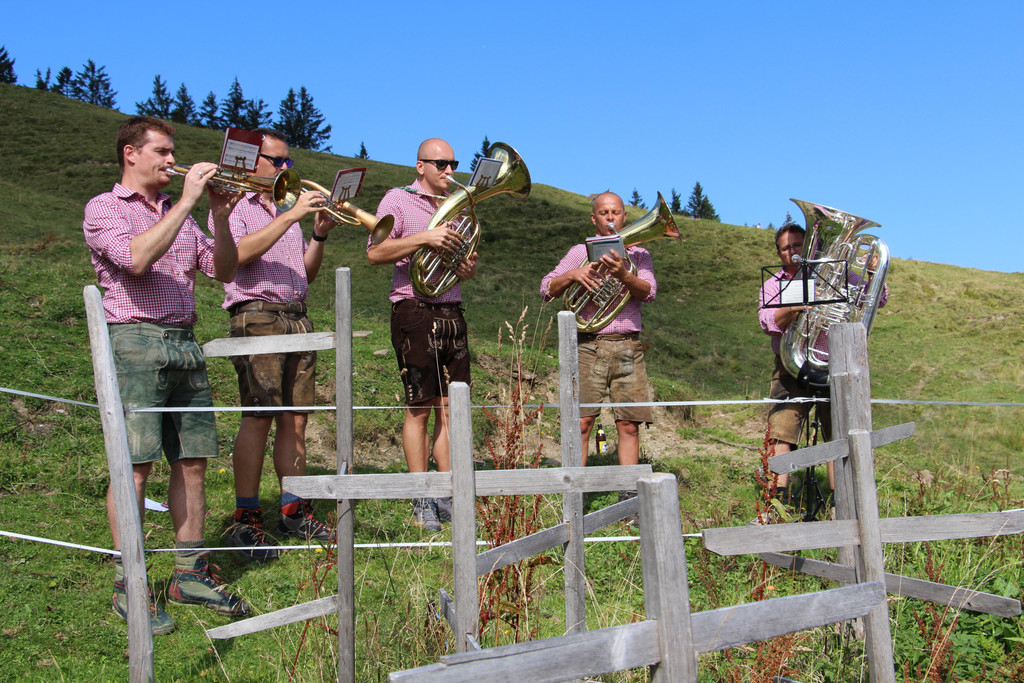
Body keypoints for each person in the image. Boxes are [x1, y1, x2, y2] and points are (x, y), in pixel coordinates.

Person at [83, 116, 248, 635]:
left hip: (183, 340)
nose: (172, 160)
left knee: (193, 460)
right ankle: (129, 583)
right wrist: (188, 202)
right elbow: (134, 259)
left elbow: (224, 270)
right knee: (134, 465)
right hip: (134, 340)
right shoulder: (105, 207)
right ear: (131, 153)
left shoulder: (181, 214)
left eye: (173, 151)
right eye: (161, 151)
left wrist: (219, 216)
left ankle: (188, 573)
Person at [218, 129, 335, 561]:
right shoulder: (233, 205)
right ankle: (246, 515)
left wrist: (318, 235)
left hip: (296, 315)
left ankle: (293, 509)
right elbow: (236, 255)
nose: (286, 168)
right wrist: (290, 216)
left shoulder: (286, 205)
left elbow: (306, 274)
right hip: (258, 315)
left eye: (288, 161)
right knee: (259, 417)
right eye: (277, 161)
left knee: (296, 420)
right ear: (253, 162)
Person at [367, 138, 477, 532]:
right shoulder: (398, 199)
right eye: (441, 164)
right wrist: (425, 238)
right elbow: (375, 252)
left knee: (451, 409)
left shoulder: (459, 206)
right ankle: (421, 497)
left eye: (453, 164)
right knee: (419, 407)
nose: (450, 171)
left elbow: (463, 261)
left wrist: (466, 269)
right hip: (413, 310)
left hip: (452, 310)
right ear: (420, 166)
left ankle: (448, 493)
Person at [757, 223, 888, 503]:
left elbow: (877, 299)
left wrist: (873, 273)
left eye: (797, 245)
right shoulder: (774, 283)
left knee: (838, 435)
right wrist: (794, 307)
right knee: (780, 432)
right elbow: (767, 322)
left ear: (809, 246)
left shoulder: (837, 274)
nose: (793, 251)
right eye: (786, 248)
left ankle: (841, 505)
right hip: (791, 364)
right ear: (779, 253)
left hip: (836, 364)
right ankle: (774, 504)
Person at [540, 191, 656, 484]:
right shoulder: (580, 251)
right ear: (594, 218)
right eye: (604, 213)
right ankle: (575, 491)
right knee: (582, 422)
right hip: (588, 346)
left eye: (615, 212)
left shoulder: (640, 254)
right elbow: (546, 289)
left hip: (628, 346)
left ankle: (629, 491)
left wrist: (624, 275)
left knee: (629, 424)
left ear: (624, 216)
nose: (610, 218)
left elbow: (649, 292)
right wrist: (574, 275)